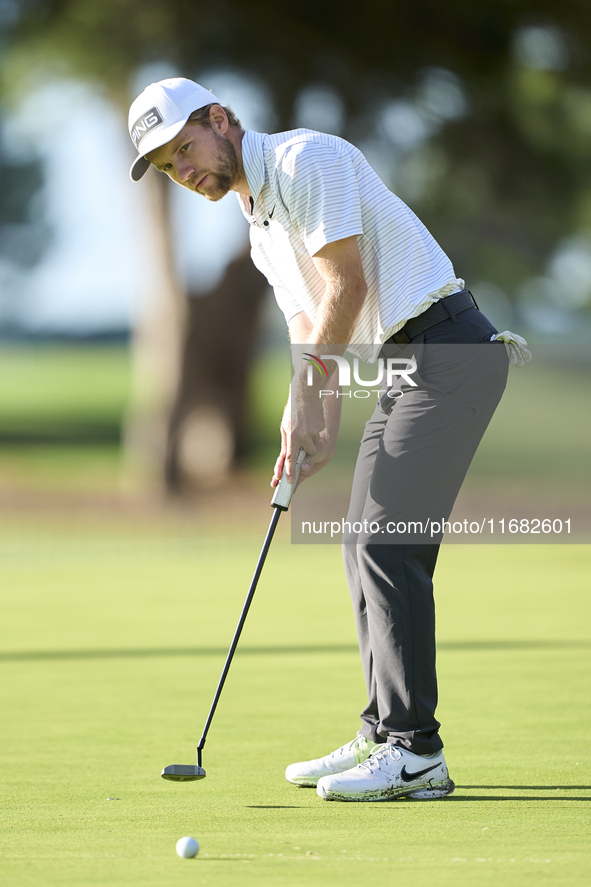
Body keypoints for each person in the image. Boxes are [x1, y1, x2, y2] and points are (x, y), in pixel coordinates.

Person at [128, 77, 530, 802]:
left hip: (449, 354)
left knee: (385, 545)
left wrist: (314, 388)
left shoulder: (303, 160)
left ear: (219, 119)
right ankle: (382, 730)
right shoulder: (258, 227)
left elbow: (344, 286)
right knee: (361, 544)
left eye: (185, 147)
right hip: (406, 370)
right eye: (166, 166)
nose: (184, 171)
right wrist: (307, 416)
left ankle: (415, 751)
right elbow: (308, 324)